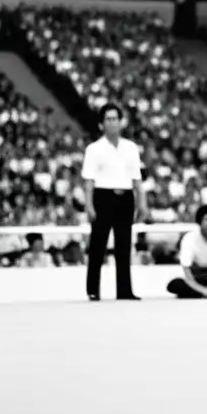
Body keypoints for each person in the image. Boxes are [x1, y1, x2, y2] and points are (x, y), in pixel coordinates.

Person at [81, 103, 146, 302]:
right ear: (101, 124)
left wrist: (142, 203)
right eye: (108, 119)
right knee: (98, 245)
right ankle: (93, 289)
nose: (112, 123)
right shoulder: (94, 149)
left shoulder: (130, 147)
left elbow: (137, 179)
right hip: (103, 196)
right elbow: (89, 181)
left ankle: (124, 290)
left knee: (124, 245)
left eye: (115, 119)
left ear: (121, 122)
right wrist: (89, 205)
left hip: (125, 197)